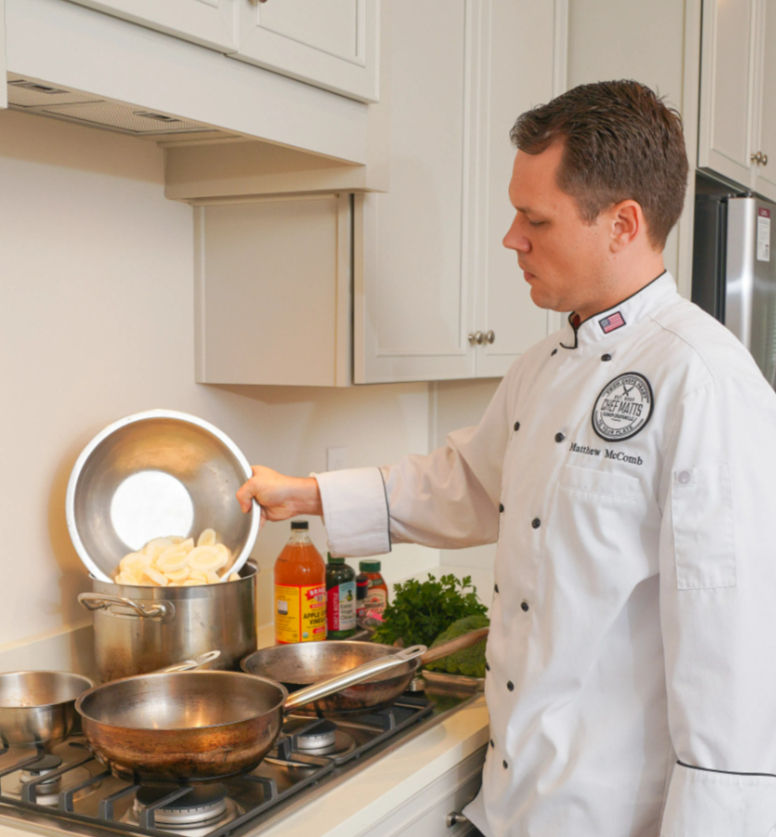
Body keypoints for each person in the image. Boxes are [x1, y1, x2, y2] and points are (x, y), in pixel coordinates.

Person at [236, 80, 776, 836]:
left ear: (622, 224)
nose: (510, 238)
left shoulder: (705, 384)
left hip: (613, 820)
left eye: (535, 218)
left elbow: (737, 677)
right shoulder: (543, 363)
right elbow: (471, 484)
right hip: (512, 803)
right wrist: (310, 494)